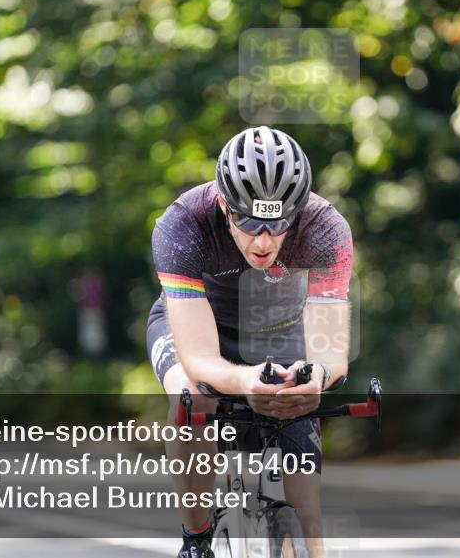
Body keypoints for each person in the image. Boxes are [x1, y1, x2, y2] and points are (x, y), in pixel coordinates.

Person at [147, 126, 354, 558]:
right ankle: (196, 538)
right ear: (225, 205)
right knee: (193, 397)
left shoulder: (325, 229)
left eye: (277, 225)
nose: (263, 240)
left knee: (308, 515)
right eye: (249, 222)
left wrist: (315, 375)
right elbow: (200, 358)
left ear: (298, 211)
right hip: (197, 324)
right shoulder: (183, 224)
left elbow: (331, 352)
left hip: (279, 332)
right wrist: (244, 382)